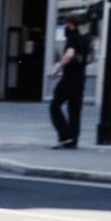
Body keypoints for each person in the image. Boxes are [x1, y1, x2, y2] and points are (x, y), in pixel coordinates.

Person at [47, 16, 91, 149]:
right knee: (74, 109)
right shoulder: (84, 40)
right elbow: (88, 59)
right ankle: (73, 139)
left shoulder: (72, 39)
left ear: (70, 25)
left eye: (66, 24)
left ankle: (64, 136)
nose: (65, 27)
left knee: (55, 105)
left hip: (70, 77)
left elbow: (70, 54)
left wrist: (58, 67)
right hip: (81, 77)